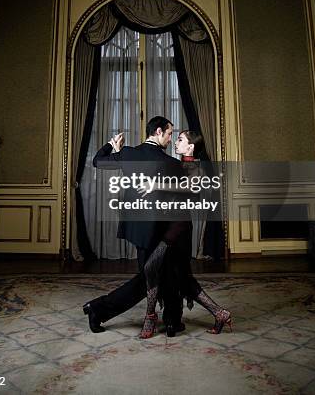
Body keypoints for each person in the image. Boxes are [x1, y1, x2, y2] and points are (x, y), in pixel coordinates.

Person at [83, 116, 185, 334]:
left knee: (155, 274)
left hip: (138, 228)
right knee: (154, 276)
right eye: (169, 133)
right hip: (161, 228)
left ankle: (171, 320)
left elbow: (97, 161)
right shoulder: (171, 163)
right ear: (158, 132)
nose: (170, 138)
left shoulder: (128, 154)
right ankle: (98, 308)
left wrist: (112, 146)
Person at [138, 130, 232, 338]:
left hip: (179, 226)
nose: (176, 142)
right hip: (169, 223)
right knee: (182, 279)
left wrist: (156, 185)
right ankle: (220, 313)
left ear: (191, 146)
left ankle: (150, 316)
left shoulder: (195, 166)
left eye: (180, 140)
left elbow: (190, 186)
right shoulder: (179, 164)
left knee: (151, 266)